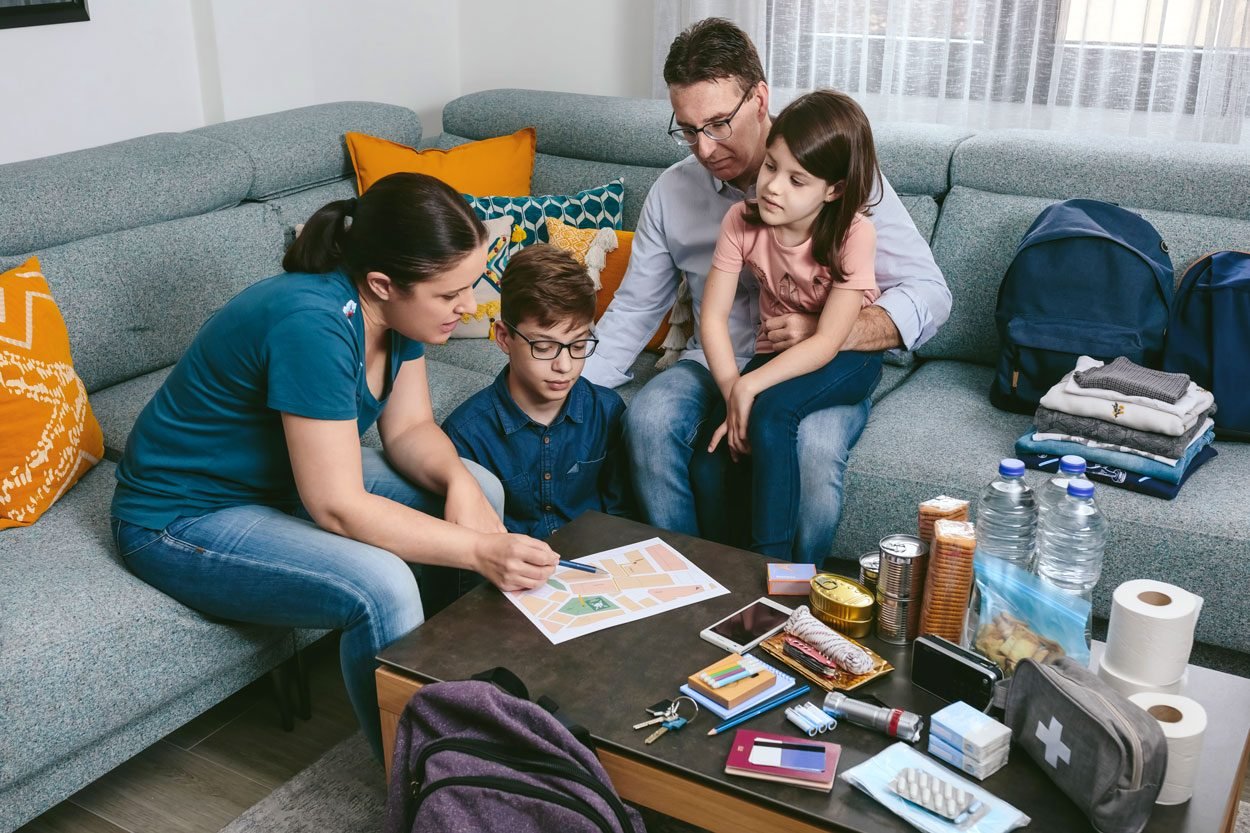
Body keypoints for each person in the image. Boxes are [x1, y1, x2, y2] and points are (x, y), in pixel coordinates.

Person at [109, 173, 560, 762]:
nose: (469, 307)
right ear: (382, 283)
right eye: (450, 294)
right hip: (180, 516)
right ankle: (418, 788)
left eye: (470, 287)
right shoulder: (313, 323)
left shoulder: (398, 316)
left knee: (479, 485)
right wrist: (477, 550)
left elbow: (410, 431)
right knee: (382, 585)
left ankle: (472, 700)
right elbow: (337, 504)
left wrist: (457, 484)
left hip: (277, 484)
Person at [581, 17, 950, 564]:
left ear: (760, 99)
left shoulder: (836, 175)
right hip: (716, 361)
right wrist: (561, 389)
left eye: (719, 124)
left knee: (815, 452)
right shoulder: (674, 194)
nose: (704, 148)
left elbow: (930, 293)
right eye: (687, 129)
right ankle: (691, 582)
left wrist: (829, 330)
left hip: (815, 363)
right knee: (650, 419)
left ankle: (790, 600)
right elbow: (635, 309)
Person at [698, 89, 883, 559]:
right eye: (771, 167)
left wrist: (750, 388)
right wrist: (731, 388)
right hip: (775, 353)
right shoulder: (742, 220)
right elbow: (713, 317)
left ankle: (773, 572)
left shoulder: (853, 234)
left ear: (833, 189)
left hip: (846, 357)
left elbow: (825, 344)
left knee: (773, 414)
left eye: (797, 180)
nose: (774, 186)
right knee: (717, 448)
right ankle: (727, 568)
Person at [443, 244, 633, 539]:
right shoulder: (465, 434)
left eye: (579, 346)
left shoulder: (607, 412)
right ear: (504, 338)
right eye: (544, 347)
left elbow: (621, 516)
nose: (565, 365)